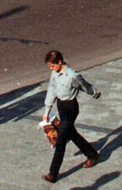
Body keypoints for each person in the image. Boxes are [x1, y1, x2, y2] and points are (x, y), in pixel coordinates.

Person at [41, 49, 101, 183]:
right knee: (72, 133)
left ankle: (53, 173)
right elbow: (51, 90)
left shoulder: (72, 75)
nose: (51, 69)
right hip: (61, 106)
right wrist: (47, 111)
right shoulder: (54, 74)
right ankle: (92, 154)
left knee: (61, 140)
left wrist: (95, 93)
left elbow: (84, 85)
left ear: (60, 62)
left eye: (52, 66)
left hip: (71, 108)